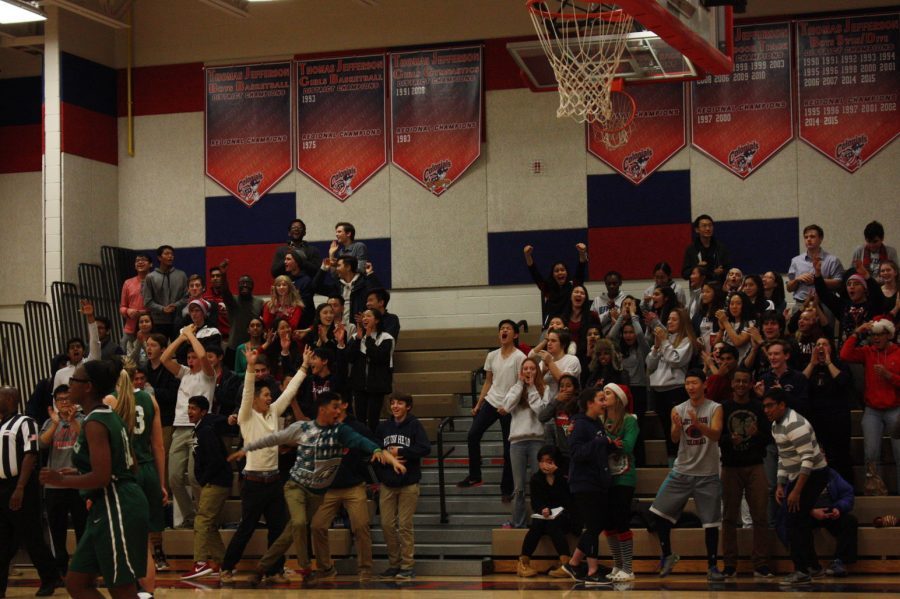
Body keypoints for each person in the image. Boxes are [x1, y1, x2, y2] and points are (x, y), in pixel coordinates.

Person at [227, 391, 405, 583]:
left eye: (339, 406)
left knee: (291, 532)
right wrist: (246, 449)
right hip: (296, 485)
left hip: (320, 492)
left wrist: (387, 457)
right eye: (334, 407)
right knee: (299, 523)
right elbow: (273, 438)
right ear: (323, 409)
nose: (338, 411)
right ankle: (306, 568)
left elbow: (368, 444)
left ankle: (262, 568)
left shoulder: (342, 431)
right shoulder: (302, 428)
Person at [38, 361, 149, 599]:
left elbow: (101, 477)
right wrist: (76, 473)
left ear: (87, 387)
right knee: (76, 582)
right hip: (106, 505)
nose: (68, 386)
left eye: (73, 381)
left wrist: (60, 479)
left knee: (122, 589)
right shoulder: (101, 416)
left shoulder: (96, 422)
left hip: (118, 504)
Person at [219, 347, 305, 585]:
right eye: (266, 395)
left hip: (274, 481)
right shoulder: (246, 416)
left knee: (277, 530)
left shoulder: (274, 412)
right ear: (256, 399)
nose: (270, 398)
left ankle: (274, 570)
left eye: (270, 395)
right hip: (254, 483)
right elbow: (247, 392)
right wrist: (249, 367)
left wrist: (304, 367)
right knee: (246, 528)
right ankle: (226, 567)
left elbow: (289, 393)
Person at [650, 369, 725, 581]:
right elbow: (674, 439)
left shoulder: (715, 408)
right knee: (658, 514)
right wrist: (675, 425)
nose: (690, 387)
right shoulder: (678, 409)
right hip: (681, 470)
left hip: (708, 473)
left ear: (704, 385)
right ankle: (668, 555)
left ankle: (712, 566)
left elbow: (716, 434)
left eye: (694, 383)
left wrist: (698, 424)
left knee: (711, 523)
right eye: (687, 383)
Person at [0, 386, 63, 599]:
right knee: (3, 540)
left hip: (21, 486)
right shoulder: (1, 424)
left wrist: (19, 488)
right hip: (1, 487)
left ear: (11, 398)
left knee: (32, 536)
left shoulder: (26, 422)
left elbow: (30, 455)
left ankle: (50, 577)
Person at [763, 388, 829, 586]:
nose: (766, 410)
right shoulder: (776, 425)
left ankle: (801, 570)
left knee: (792, 522)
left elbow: (807, 461)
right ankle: (814, 567)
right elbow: (784, 456)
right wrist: (781, 484)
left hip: (813, 475)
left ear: (782, 405)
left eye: (770, 405)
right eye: (764, 406)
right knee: (799, 521)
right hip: (797, 475)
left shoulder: (795, 424)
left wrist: (796, 491)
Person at [113, 360, 169, 593]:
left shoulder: (111, 401)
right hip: (148, 473)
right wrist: (162, 484)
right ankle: (148, 594)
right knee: (145, 543)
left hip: (126, 474)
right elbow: (158, 446)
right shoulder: (150, 400)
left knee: (124, 541)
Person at [309, 393, 378, 581]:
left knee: (361, 525)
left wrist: (368, 465)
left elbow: (374, 448)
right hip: (328, 488)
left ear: (345, 405)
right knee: (317, 526)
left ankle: (365, 569)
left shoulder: (358, 428)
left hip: (353, 486)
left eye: (337, 405)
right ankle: (325, 568)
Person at [160, 325, 217, 528]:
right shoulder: (184, 373)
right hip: (179, 427)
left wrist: (191, 335)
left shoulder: (209, 375)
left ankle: (205, 516)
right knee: (174, 477)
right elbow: (164, 359)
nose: (191, 360)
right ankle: (190, 516)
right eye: (189, 358)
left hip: (200, 428)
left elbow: (203, 356)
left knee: (195, 477)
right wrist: (181, 337)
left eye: (193, 358)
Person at [719, 366, 773, 578]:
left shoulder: (759, 407)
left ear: (751, 384)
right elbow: (717, 437)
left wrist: (757, 434)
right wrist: (729, 440)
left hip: (755, 465)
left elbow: (769, 437)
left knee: (760, 515)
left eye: (745, 381)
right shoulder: (723, 407)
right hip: (730, 467)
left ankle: (760, 564)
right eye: (737, 381)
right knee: (729, 517)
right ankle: (730, 564)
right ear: (732, 384)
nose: (741, 385)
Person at [839, 319, 900, 494]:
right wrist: (857, 332)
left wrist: (889, 376)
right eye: (873, 334)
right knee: (871, 454)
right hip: (873, 410)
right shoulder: (867, 352)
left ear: (888, 335)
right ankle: (875, 491)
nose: (875, 338)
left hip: (895, 408)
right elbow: (844, 355)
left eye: (880, 334)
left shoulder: (898, 353)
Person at [559, 388, 613, 586]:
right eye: (601, 399)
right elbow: (576, 453)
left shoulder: (595, 422)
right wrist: (599, 442)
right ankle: (592, 571)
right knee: (592, 526)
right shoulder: (579, 424)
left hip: (597, 481)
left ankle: (573, 563)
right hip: (583, 483)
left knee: (596, 525)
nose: (604, 403)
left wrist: (609, 444)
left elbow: (596, 448)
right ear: (590, 403)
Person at [375, 393, 431, 580]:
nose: (395, 406)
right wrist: (386, 463)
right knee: (386, 525)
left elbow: (425, 448)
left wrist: (401, 451)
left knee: (405, 525)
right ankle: (394, 563)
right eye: (392, 403)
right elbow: (375, 451)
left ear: (408, 406)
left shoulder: (414, 425)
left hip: (408, 483)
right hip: (388, 484)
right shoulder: (383, 427)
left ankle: (407, 565)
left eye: (399, 403)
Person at [180, 396, 235, 580]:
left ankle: (200, 563)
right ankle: (224, 562)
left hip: (216, 481)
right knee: (209, 524)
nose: (189, 411)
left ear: (203, 412)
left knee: (202, 521)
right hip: (215, 481)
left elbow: (216, 460)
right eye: (189, 408)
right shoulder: (201, 429)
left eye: (194, 408)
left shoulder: (206, 431)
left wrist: (204, 479)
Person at [39, 386, 88, 577]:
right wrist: (54, 424)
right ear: (55, 402)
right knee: (57, 531)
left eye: (68, 399)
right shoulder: (49, 422)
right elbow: (42, 443)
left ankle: (84, 568)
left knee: (82, 528)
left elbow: (86, 440)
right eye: (60, 400)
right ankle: (61, 568)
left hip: (78, 482)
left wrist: (72, 420)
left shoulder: (83, 419)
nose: (64, 402)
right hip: (54, 485)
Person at [501, 357, 549, 529]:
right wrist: (520, 385)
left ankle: (540, 522)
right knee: (519, 487)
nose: (528, 372)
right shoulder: (516, 388)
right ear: (521, 372)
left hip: (537, 439)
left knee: (538, 482)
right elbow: (506, 406)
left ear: (537, 371)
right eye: (525, 369)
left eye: (532, 368)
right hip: (517, 442)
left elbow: (542, 412)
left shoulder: (545, 389)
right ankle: (519, 522)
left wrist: (531, 388)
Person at [516, 445, 575, 579]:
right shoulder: (536, 479)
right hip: (546, 517)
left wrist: (558, 474)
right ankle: (523, 563)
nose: (544, 465)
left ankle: (566, 564)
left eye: (549, 461)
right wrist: (542, 509)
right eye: (541, 461)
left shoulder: (564, 476)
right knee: (537, 523)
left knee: (552, 524)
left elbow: (569, 500)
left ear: (556, 461)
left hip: (565, 515)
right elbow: (535, 502)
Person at [646, 308, 695, 462]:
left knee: (678, 429)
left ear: (683, 322)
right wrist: (655, 347)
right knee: (667, 431)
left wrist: (665, 342)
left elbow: (675, 360)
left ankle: (683, 463)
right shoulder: (663, 339)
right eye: (668, 319)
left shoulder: (686, 341)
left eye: (674, 319)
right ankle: (671, 463)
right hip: (659, 391)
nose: (669, 322)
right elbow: (650, 365)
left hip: (676, 390)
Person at [601, 383, 639, 582]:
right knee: (608, 522)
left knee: (621, 519)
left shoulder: (630, 421)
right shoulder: (601, 419)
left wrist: (606, 443)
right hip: (606, 477)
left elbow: (629, 446)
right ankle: (617, 564)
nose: (604, 396)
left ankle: (628, 567)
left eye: (608, 393)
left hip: (625, 476)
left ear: (618, 398)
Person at [803, 338, 853, 484]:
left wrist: (829, 362)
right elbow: (800, 384)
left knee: (841, 456)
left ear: (831, 348)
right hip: (816, 418)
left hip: (838, 418)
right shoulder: (811, 367)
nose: (820, 347)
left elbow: (843, 382)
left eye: (824, 344)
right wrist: (812, 364)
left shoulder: (840, 365)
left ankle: (846, 490)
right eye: (817, 344)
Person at [609, 298, 650, 466]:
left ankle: (640, 463)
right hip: (622, 392)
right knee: (622, 428)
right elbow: (611, 336)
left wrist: (633, 314)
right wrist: (621, 316)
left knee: (637, 429)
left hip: (639, 390)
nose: (629, 335)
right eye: (626, 332)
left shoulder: (642, 348)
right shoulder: (619, 348)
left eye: (631, 332)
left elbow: (640, 334)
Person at [348, 308, 395, 431]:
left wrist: (368, 338)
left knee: (374, 419)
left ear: (377, 320)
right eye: (363, 316)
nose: (365, 318)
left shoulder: (386, 338)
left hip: (377, 386)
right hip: (359, 385)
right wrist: (358, 339)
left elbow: (378, 357)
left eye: (368, 316)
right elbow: (350, 358)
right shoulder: (356, 337)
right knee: (360, 420)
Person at [523, 243, 588, 327]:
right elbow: (534, 273)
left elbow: (581, 269)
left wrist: (582, 253)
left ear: (567, 273)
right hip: (551, 326)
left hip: (568, 326)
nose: (560, 272)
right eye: (556, 271)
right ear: (553, 275)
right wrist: (527, 255)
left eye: (562, 270)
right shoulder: (548, 289)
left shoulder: (573, 287)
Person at [787, 224, 844, 303]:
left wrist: (817, 281)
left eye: (812, 236)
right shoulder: (796, 261)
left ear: (821, 239)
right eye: (806, 237)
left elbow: (839, 283)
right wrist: (797, 280)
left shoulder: (832, 260)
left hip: (825, 303)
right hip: (801, 303)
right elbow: (789, 288)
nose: (809, 239)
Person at [142, 245, 188, 340]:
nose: (170, 256)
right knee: (160, 351)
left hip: (178, 320)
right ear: (159, 257)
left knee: (179, 350)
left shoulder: (181, 275)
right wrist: (162, 309)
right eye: (167, 254)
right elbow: (147, 301)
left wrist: (176, 305)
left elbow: (186, 297)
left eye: (172, 254)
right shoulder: (150, 277)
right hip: (158, 321)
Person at [681, 214, 730, 282]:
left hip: (717, 287)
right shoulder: (691, 249)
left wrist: (721, 271)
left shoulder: (721, 248)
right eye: (704, 226)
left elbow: (729, 270)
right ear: (697, 229)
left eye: (710, 225)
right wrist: (697, 268)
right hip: (698, 288)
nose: (708, 228)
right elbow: (684, 274)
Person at [119, 253, 152, 350]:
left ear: (151, 264)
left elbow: (160, 305)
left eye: (143, 260)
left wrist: (141, 313)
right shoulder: (128, 283)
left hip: (150, 329)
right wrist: (127, 311)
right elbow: (122, 306)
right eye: (137, 260)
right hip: (130, 328)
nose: (140, 262)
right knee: (127, 358)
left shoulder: (156, 281)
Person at [590, 270, 625, 335]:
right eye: (609, 284)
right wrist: (609, 314)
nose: (611, 286)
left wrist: (614, 310)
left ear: (620, 283)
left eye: (614, 283)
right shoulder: (597, 300)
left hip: (620, 337)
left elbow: (625, 324)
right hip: (600, 337)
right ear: (605, 284)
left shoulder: (625, 300)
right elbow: (593, 323)